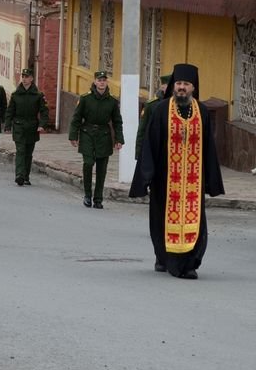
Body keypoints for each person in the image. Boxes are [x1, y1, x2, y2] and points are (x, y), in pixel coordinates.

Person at [130, 63, 224, 279]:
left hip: (193, 181)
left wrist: (211, 180)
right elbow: (150, 144)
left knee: (194, 221)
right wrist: (146, 177)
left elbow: (209, 146)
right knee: (162, 220)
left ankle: (189, 263)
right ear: (174, 85)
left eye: (186, 84)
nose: (182, 87)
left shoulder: (201, 112)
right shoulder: (161, 109)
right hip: (165, 180)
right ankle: (164, 258)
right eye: (179, 83)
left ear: (193, 87)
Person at [69, 70, 125, 209]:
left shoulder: (112, 101)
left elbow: (117, 121)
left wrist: (119, 139)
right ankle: (87, 194)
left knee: (102, 168)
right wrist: (73, 136)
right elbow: (76, 118)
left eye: (104, 80)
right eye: (99, 80)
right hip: (87, 133)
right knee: (88, 163)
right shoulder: (85, 99)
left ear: (107, 82)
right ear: (95, 82)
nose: (101, 82)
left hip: (104, 135)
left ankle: (98, 198)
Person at [4, 68, 51, 186]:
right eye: (23, 77)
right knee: (20, 150)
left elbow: (44, 111)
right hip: (19, 125)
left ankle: (26, 176)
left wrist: (42, 125)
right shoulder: (16, 95)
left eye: (27, 77)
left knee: (28, 153)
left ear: (31, 78)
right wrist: (8, 124)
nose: (24, 79)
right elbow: (10, 111)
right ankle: (19, 175)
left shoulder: (38, 95)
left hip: (32, 126)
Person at [136, 73, 171, 159]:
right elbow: (142, 130)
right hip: (155, 148)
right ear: (162, 87)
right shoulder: (151, 105)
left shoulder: (178, 104)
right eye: (168, 85)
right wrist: (139, 153)